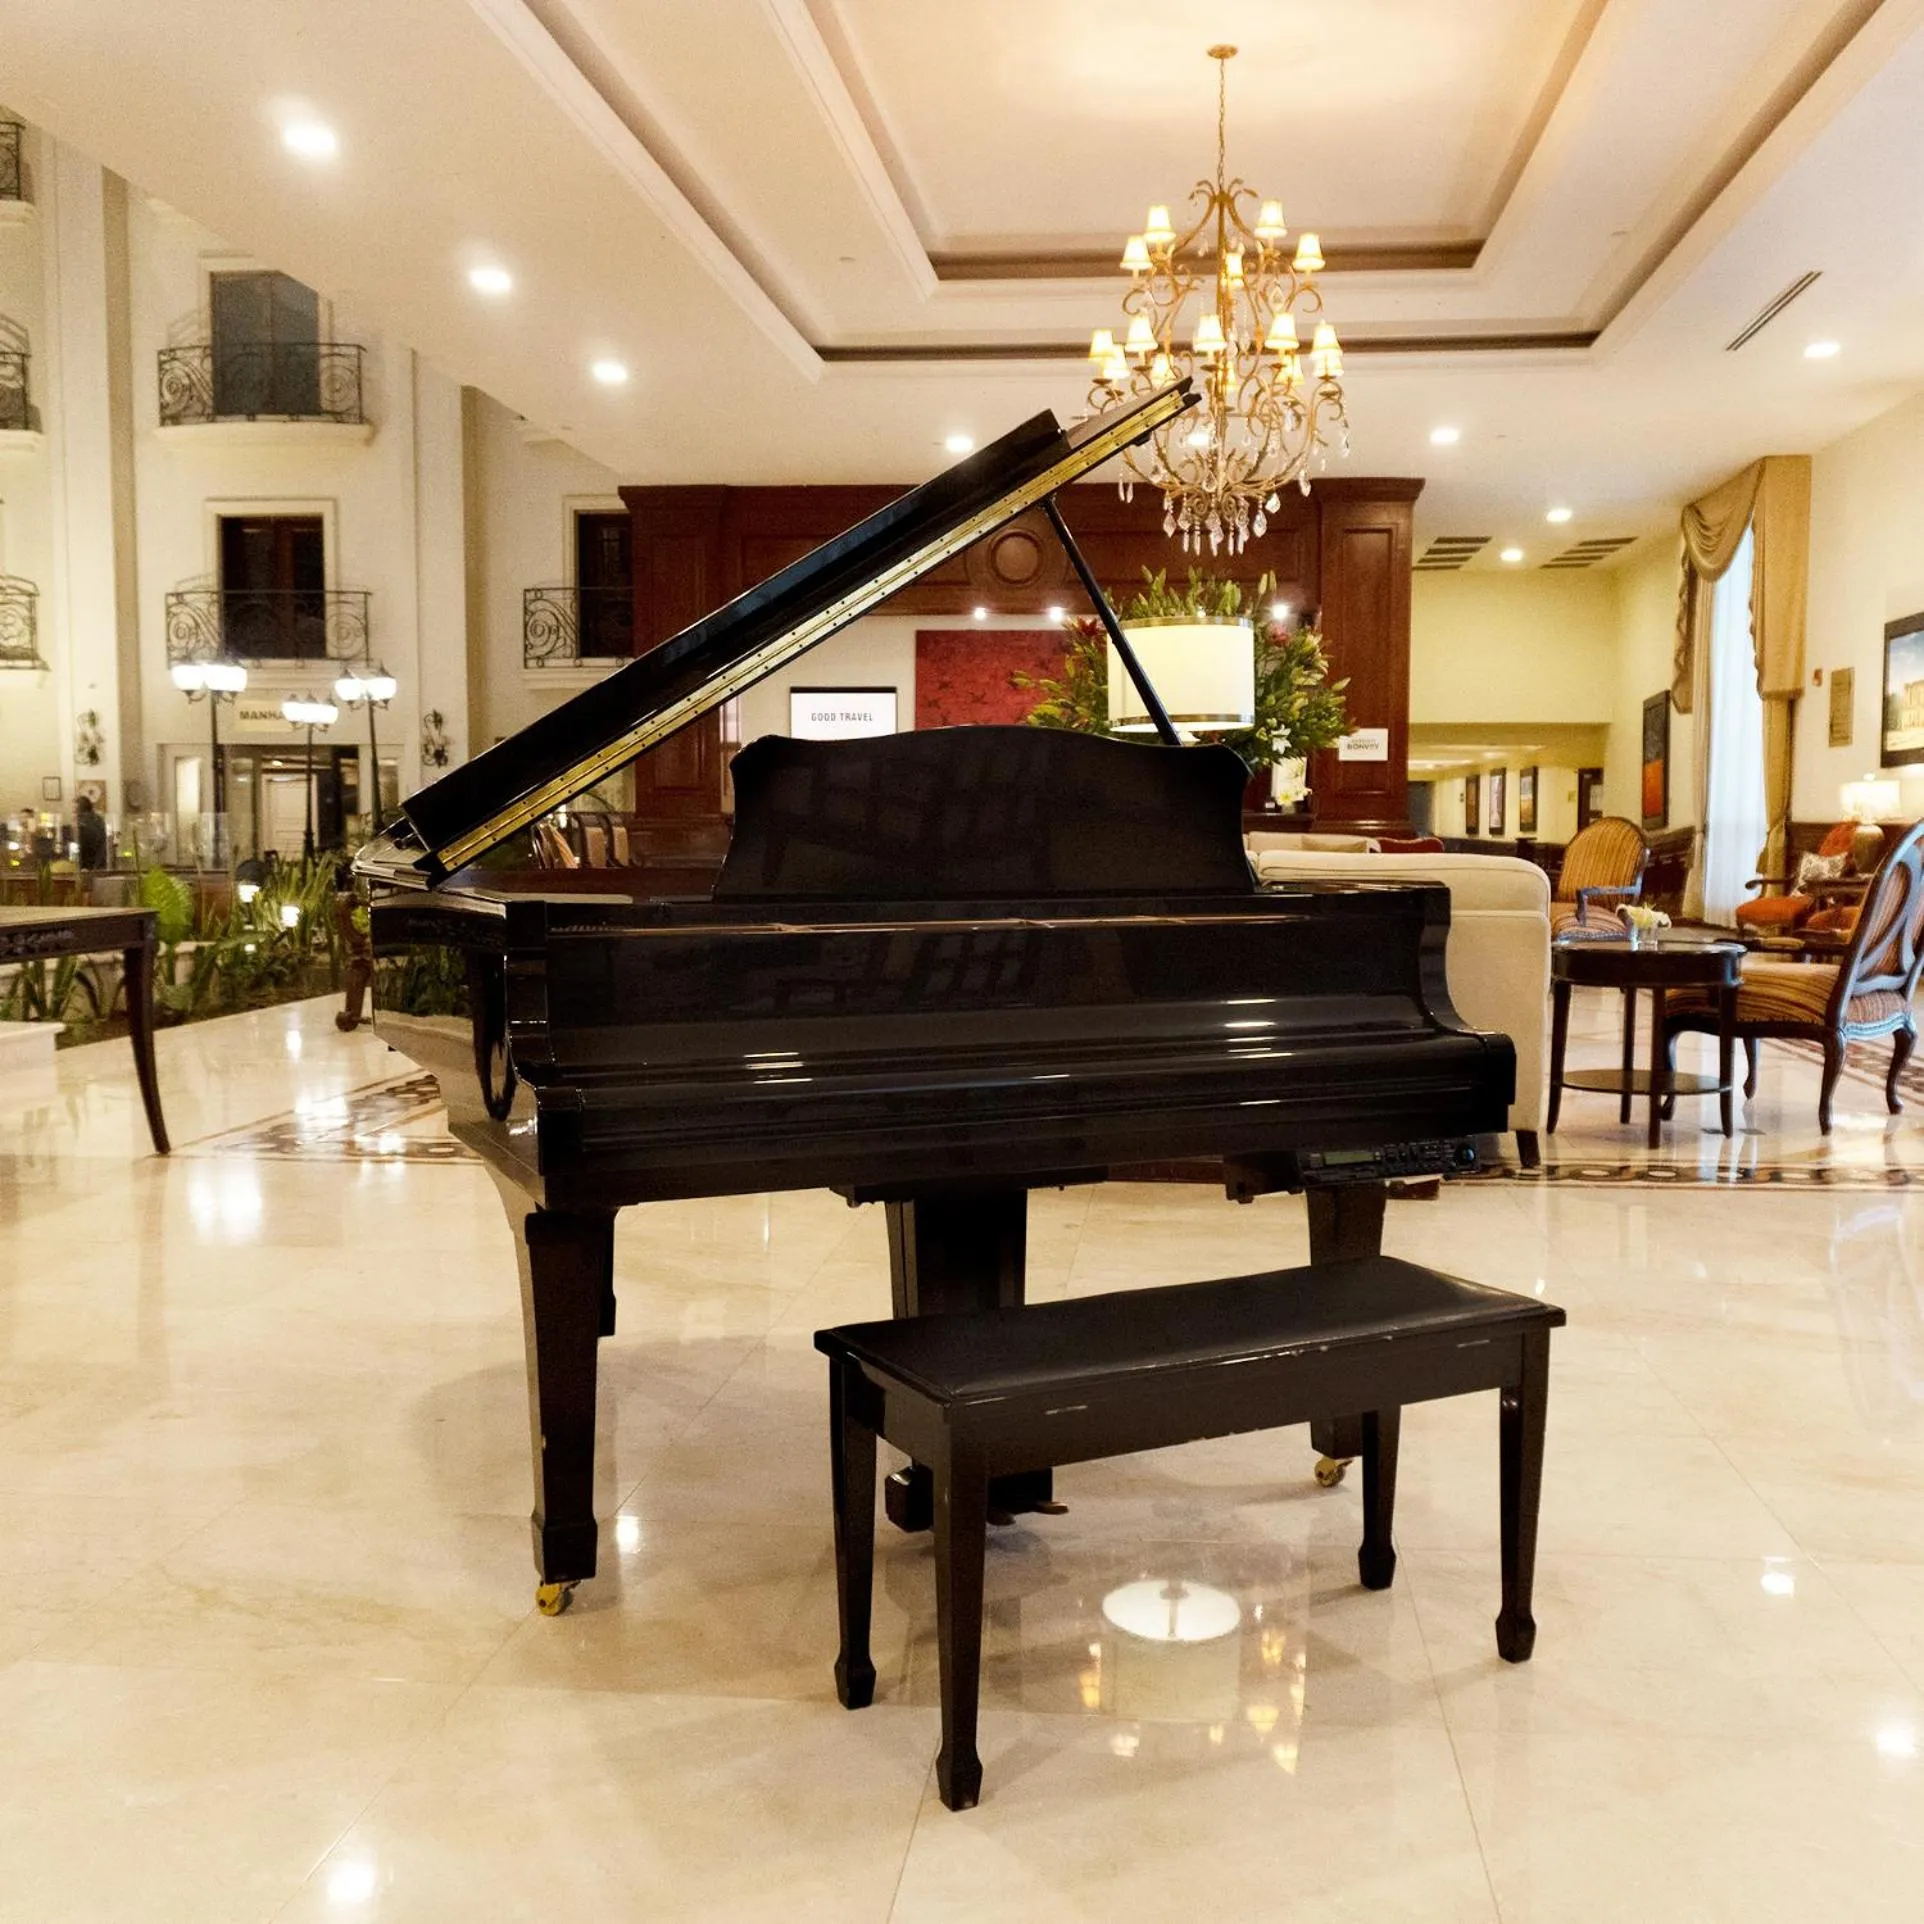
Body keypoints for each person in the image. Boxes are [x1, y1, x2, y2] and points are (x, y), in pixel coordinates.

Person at [74, 794, 107, 870]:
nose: (75, 815)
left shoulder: (86, 823)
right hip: (99, 865)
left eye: (76, 812)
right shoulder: (98, 820)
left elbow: (83, 847)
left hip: (89, 867)